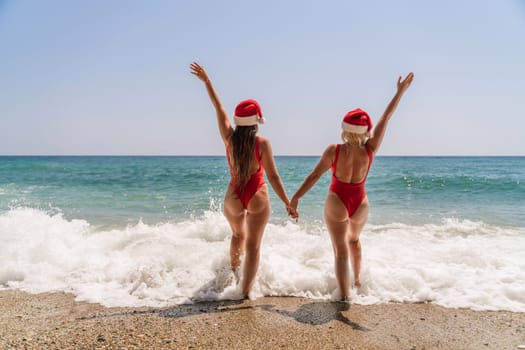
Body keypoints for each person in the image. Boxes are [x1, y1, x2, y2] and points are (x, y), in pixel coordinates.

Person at [289, 72, 414, 301]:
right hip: (361, 202)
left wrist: (295, 198)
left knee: (340, 251)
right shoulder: (371, 148)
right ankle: (357, 281)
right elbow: (386, 118)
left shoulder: (334, 150)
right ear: (365, 130)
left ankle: (345, 296)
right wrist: (399, 93)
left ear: (345, 129)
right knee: (354, 241)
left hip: (338, 200)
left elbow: (314, 175)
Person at [190, 62, 292, 298]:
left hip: (233, 196)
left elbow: (219, 108)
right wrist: (287, 201)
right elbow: (274, 176)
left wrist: (207, 81)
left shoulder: (229, 138)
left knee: (237, 236)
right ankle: (244, 291)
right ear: (256, 121)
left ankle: (235, 274)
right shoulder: (262, 144)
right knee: (254, 246)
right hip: (257, 194)